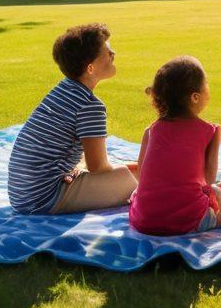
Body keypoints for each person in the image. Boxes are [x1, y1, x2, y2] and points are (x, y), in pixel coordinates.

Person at [7, 23, 138, 215]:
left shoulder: (64, 89)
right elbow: (98, 167)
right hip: (43, 198)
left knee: (130, 169)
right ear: (90, 68)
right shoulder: (89, 105)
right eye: (107, 51)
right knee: (131, 180)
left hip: (23, 194)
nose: (113, 53)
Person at [129, 55, 221, 235]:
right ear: (195, 97)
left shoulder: (151, 131)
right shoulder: (209, 131)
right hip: (187, 222)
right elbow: (207, 181)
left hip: (144, 221)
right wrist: (216, 137)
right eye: (205, 83)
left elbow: (141, 174)